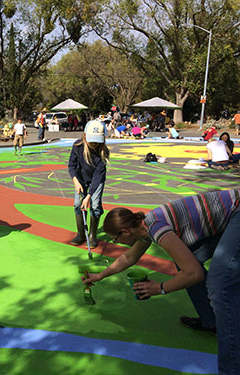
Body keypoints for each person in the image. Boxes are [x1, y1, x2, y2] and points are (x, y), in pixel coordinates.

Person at [85, 190, 240, 374]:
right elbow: (128, 258)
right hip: (227, 217)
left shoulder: (156, 228)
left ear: (125, 232)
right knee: (186, 261)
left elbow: (194, 274)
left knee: (219, 284)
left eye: (115, 239)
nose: (116, 242)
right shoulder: (143, 228)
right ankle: (211, 322)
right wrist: (100, 276)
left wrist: (160, 288)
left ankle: (231, 370)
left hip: (236, 211)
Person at [68, 120, 110, 248]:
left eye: (97, 141)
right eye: (91, 140)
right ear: (85, 136)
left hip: (96, 182)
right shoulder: (78, 146)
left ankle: (92, 235)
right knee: (77, 204)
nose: (93, 144)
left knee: (95, 205)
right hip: (80, 180)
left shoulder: (103, 152)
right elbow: (72, 165)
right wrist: (75, 180)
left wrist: (89, 195)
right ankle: (81, 234)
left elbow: (98, 176)